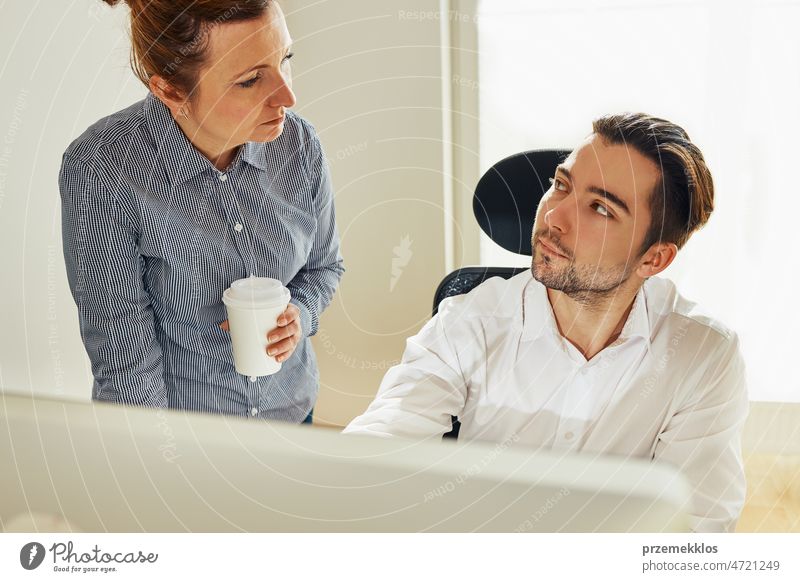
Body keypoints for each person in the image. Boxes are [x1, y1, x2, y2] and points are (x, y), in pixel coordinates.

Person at [345, 113, 748, 532]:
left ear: (653, 258)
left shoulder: (701, 355)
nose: (554, 216)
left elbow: (694, 529)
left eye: (600, 208)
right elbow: (380, 448)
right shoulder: (472, 318)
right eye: (561, 185)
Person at [60, 0, 344, 423]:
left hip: (292, 413)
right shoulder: (104, 171)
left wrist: (298, 314)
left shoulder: (299, 146)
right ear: (171, 91)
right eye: (250, 80)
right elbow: (126, 365)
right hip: (186, 442)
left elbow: (324, 268)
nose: (287, 95)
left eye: (285, 58)